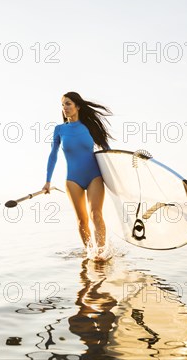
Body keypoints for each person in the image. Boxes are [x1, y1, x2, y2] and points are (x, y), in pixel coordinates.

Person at [43, 92, 114, 259]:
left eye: (68, 104)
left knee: (95, 214)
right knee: (82, 221)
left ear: (78, 106)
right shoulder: (60, 130)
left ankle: (102, 253)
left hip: (94, 176)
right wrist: (47, 181)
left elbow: (107, 150)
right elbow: (53, 155)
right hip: (73, 180)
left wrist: (117, 172)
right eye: (62, 105)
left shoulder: (89, 127)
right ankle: (90, 253)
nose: (65, 108)